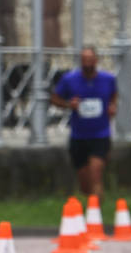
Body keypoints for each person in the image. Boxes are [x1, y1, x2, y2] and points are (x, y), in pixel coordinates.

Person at [49, 46, 117, 198]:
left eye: (90, 60)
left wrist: (112, 107)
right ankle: (91, 203)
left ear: (96, 60)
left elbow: (114, 95)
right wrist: (68, 104)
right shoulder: (70, 80)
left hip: (100, 134)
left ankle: (96, 212)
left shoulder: (108, 79)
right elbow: (54, 99)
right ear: (80, 62)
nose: (87, 64)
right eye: (84, 60)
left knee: (96, 171)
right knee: (84, 181)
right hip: (79, 135)